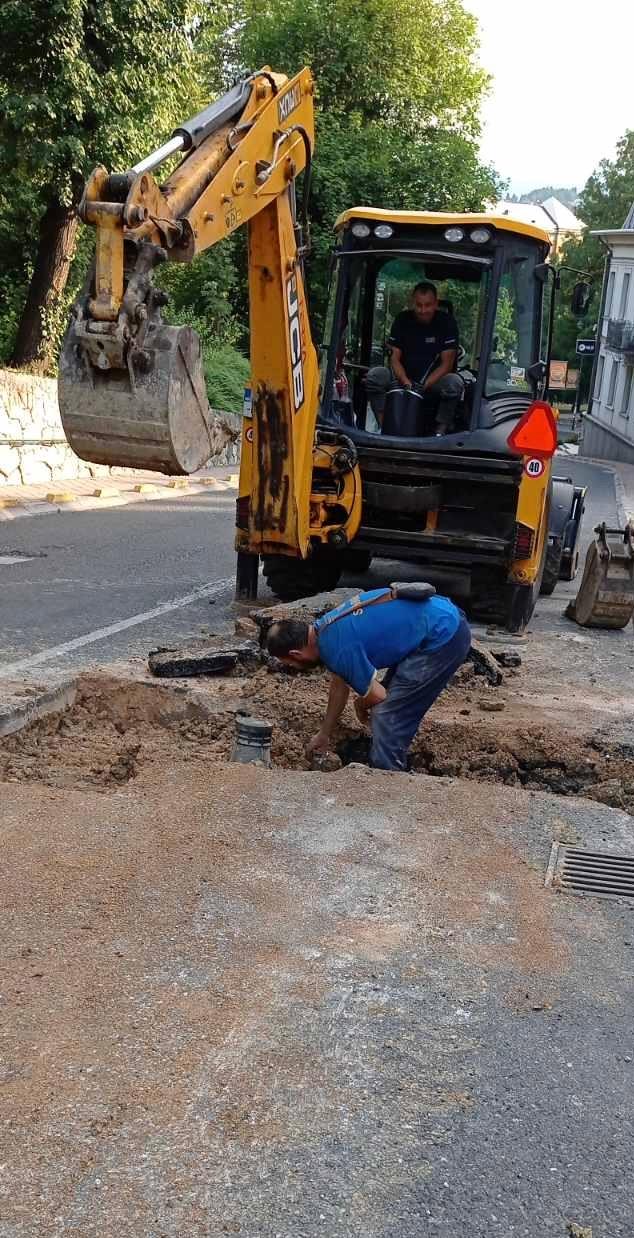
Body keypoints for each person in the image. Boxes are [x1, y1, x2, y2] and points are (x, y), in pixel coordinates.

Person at [265, 587, 471, 772]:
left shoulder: (336, 649)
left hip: (444, 636)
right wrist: (324, 734)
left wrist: (360, 704)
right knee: (387, 703)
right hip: (438, 616)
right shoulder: (326, 629)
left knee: (386, 714)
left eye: (291, 664)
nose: (295, 668)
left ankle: (387, 781)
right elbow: (339, 685)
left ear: (296, 653)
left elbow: (379, 695)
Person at [365, 281, 465, 434]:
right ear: (413, 303)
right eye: (419, 305)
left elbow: (447, 364)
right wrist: (405, 381)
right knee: (375, 376)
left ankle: (439, 433)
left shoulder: (447, 323)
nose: (423, 310)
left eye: (428, 305)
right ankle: (383, 428)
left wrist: (423, 386)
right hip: (402, 378)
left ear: (436, 304)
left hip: (433, 382)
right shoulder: (402, 320)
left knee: (454, 383)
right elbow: (394, 358)